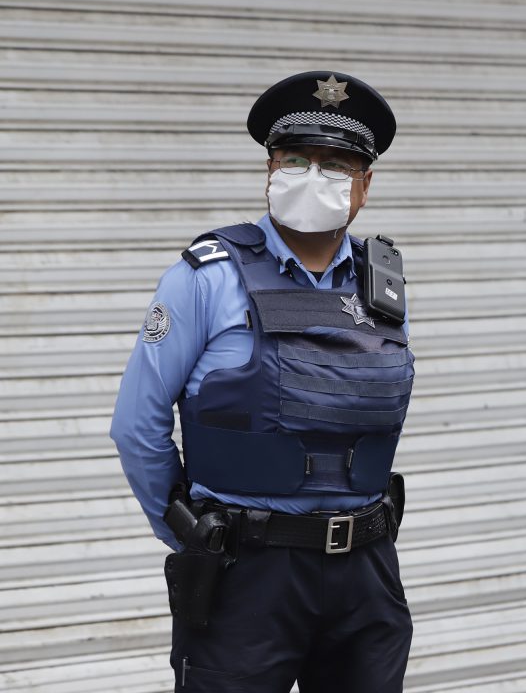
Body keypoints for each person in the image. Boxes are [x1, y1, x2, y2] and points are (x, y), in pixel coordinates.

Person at [110, 71, 414, 692]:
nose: (312, 176)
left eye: (335, 166)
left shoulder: (382, 286)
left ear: (365, 186)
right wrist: (194, 534)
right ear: (269, 170)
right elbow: (137, 427)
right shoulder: (204, 277)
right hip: (247, 570)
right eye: (295, 159)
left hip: (366, 571)